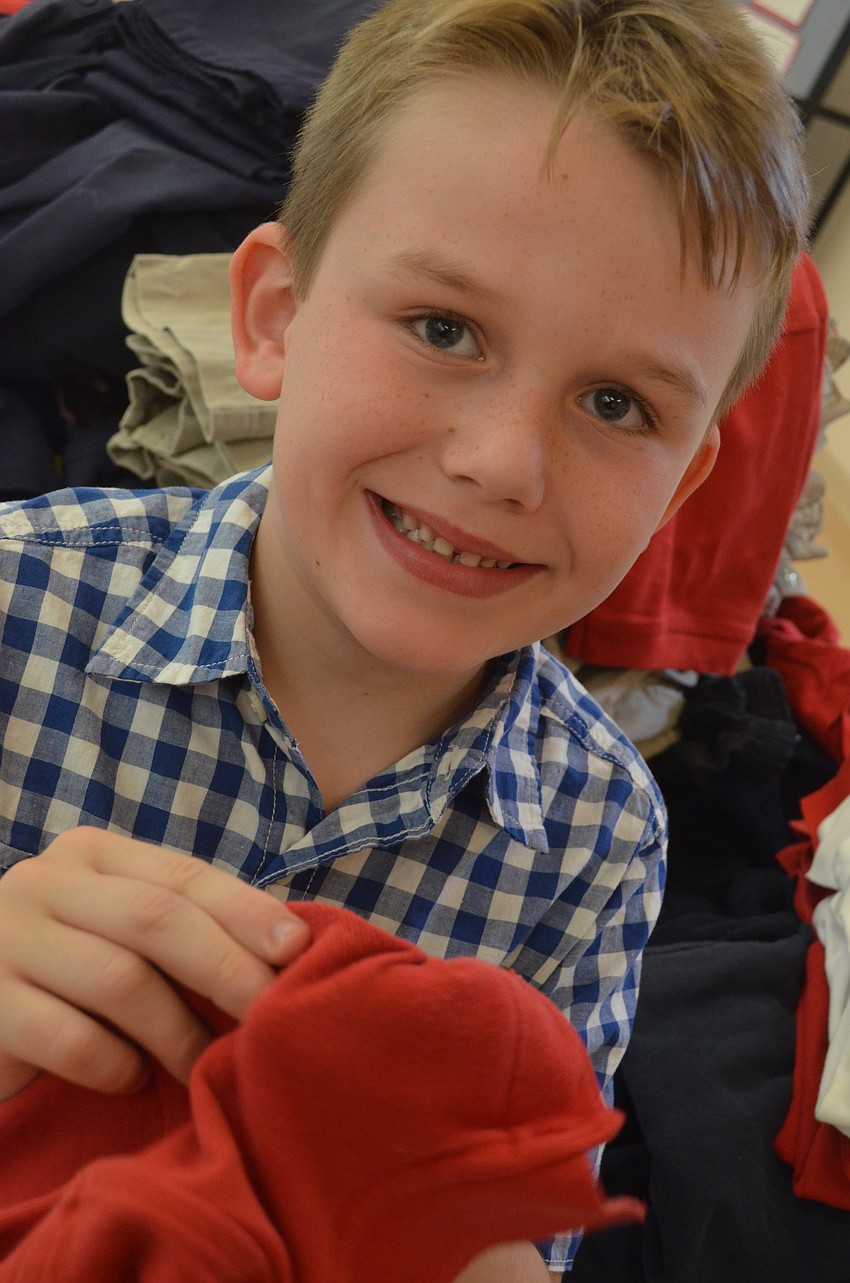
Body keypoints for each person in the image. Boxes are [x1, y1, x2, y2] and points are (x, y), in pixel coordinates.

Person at [0, 0, 809, 1277]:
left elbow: (525, 1222)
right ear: (272, 315)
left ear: (683, 486)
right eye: (443, 329)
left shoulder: (598, 835)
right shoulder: (17, 604)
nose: (500, 463)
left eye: (615, 402)